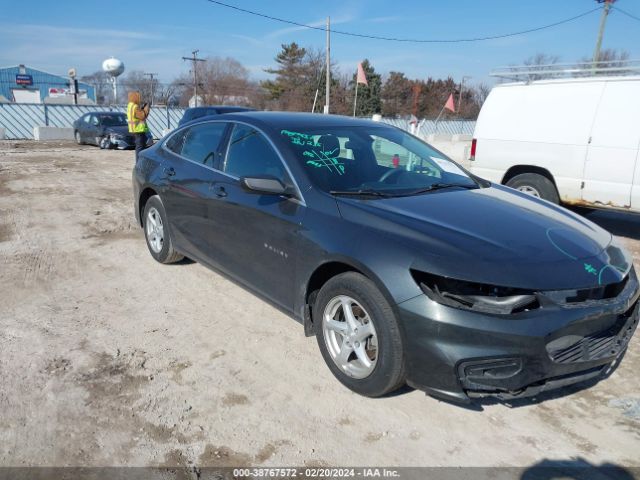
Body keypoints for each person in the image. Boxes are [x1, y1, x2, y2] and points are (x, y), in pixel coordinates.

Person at [126, 91, 150, 161]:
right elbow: (142, 116)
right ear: (135, 98)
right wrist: (146, 109)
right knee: (140, 148)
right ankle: (139, 163)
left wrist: (142, 109)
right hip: (138, 130)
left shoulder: (130, 106)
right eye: (138, 97)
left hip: (134, 130)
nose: (139, 99)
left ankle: (140, 162)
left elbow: (137, 116)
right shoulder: (135, 107)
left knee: (140, 147)